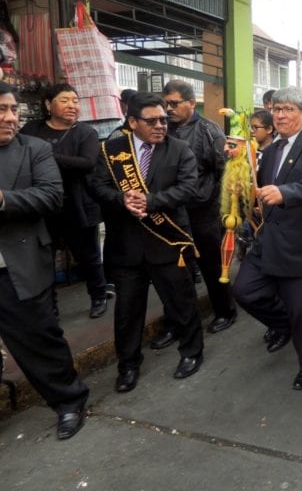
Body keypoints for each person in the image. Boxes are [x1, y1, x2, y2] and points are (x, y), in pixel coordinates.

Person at [90, 92, 205, 392]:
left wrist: (151, 201)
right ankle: (128, 365)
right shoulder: (112, 150)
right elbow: (97, 186)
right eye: (151, 120)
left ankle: (192, 352)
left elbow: (189, 188)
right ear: (131, 122)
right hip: (126, 246)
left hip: (167, 242)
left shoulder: (179, 150)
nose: (160, 126)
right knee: (127, 312)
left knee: (181, 303)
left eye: (164, 120)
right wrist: (122, 199)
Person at [0, 82, 89, 439]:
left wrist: (4, 200)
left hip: (17, 265)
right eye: (1, 110)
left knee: (39, 340)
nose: (8, 118)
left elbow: (52, 196)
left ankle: (69, 401)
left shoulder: (34, 149)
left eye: (12, 110)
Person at [231, 87, 302, 391]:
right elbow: (262, 187)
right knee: (245, 291)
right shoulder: (272, 150)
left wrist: (285, 193)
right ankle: (281, 323)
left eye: (289, 109)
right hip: (269, 240)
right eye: (277, 109)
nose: (281, 115)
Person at [20, 83, 111, 319]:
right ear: (48, 104)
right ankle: (49, 304)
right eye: (65, 100)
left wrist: (44, 157)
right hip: (42, 206)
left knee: (88, 255)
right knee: (43, 258)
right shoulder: (32, 129)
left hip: (77, 204)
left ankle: (98, 296)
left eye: (75, 100)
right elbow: (21, 158)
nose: (72, 105)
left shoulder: (85, 133)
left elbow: (87, 163)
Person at [162, 80, 235, 336]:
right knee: (175, 270)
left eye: (174, 103)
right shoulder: (163, 130)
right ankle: (179, 321)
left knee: (211, 266)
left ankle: (225, 311)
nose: (169, 109)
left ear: (191, 103)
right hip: (171, 211)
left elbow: (222, 171)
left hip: (203, 210)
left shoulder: (209, 131)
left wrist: (211, 202)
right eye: (166, 104)